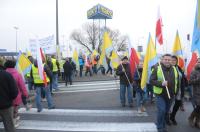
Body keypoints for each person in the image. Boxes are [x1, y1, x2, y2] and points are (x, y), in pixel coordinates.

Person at [150, 54, 178, 132]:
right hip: (160, 94)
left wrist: (176, 92)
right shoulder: (157, 68)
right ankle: (159, 127)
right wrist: (161, 83)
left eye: (169, 60)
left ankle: (163, 125)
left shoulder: (174, 69)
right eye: (165, 59)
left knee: (166, 112)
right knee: (161, 110)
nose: (167, 61)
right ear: (162, 60)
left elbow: (176, 81)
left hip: (171, 95)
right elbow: (151, 81)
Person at [4, 60, 29, 127]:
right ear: (14, 66)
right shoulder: (18, 74)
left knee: (8, 111)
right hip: (16, 95)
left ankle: (11, 120)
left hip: (5, 97)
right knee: (15, 110)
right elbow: (22, 86)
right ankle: (14, 122)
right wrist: (25, 94)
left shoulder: (3, 73)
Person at [0, 59, 18, 132]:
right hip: (6, 105)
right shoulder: (7, 74)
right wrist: (10, 99)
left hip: (6, 104)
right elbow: (14, 92)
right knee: (9, 127)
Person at [169, 55, 187, 125]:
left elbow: (182, 78)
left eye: (174, 60)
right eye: (172, 60)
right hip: (170, 90)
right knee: (169, 105)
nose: (173, 61)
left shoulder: (179, 68)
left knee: (177, 104)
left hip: (179, 89)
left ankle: (172, 117)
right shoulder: (167, 68)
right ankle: (167, 118)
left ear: (176, 61)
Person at [188, 58, 200, 128]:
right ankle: (191, 117)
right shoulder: (194, 71)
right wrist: (198, 79)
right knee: (198, 106)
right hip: (197, 92)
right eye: (198, 62)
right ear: (196, 62)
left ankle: (197, 121)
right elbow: (190, 81)